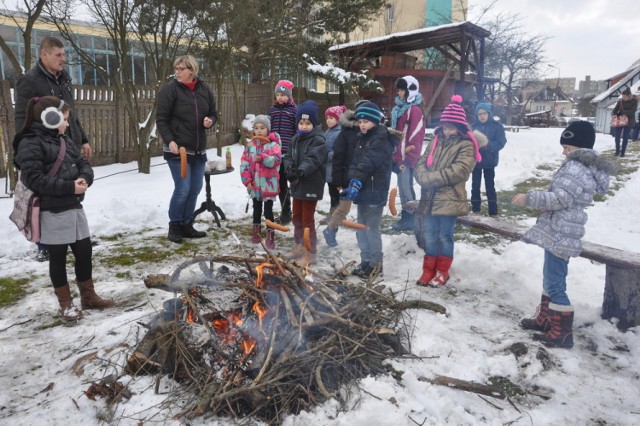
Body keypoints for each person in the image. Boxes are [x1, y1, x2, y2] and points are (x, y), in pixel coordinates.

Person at [512, 121, 617, 349]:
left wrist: (530, 198)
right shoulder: (580, 165)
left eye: (567, 147)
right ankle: (547, 319)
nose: (563, 152)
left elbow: (561, 198)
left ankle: (562, 334)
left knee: (555, 282)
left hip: (562, 230)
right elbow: (565, 198)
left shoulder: (576, 167)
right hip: (562, 227)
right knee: (551, 277)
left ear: (578, 147)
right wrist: (546, 206)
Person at [14, 96, 114, 321]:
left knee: (84, 252)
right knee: (58, 258)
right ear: (51, 118)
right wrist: (70, 187)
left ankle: (88, 296)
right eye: (65, 120)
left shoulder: (64, 139)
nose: (68, 125)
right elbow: (35, 179)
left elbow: (82, 163)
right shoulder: (29, 143)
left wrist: (84, 179)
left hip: (74, 206)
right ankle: (66, 305)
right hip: (52, 211)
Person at [14, 36, 92, 262]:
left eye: (64, 54)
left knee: (72, 191)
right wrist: (25, 146)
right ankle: (45, 243)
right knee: (47, 196)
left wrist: (83, 139)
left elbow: (72, 113)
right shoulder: (29, 81)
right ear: (44, 54)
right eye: (58, 55)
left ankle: (74, 236)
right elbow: (22, 116)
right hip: (43, 146)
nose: (63, 59)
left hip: (68, 142)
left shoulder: (64, 79)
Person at [414, 95, 485, 287]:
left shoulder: (467, 145)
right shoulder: (435, 141)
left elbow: (459, 170)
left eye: (451, 128)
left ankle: (442, 271)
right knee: (429, 234)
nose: (447, 131)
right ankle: (428, 269)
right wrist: (422, 176)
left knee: (444, 236)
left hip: (450, 199)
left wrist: (429, 179)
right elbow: (422, 161)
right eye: (445, 127)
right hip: (429, 198)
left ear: (460, 128)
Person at [156, 55, 217, 243]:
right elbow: (162, 119)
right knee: (182, 188)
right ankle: (174, 225)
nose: (177, 72)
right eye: (176, 68)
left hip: (198, 149)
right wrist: (170, 140)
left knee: (195, 187)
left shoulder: (204, 89)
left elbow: (213, 113)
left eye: (181, 68)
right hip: (178, 150)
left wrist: (210, 121)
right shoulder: (169, 90)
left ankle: (186, 225)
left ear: (192, 70)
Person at [341, 101, 397, 279]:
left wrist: (357, 180)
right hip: (363, 189)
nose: (362, 124)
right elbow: (355, 163)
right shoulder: (361, 138)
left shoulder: (381, 139)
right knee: (360, 227)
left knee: (371, 228)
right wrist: (351, 181)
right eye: (360, 121)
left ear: (375, 121)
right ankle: (365, 261)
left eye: (366, 121)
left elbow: (368, 162)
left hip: (375, 189)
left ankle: (375, 264)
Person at [282, 100, 327, 265]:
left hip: (311, 185)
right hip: (297, 185)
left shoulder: (318, 140)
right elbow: (288, 156)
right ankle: (299, 246)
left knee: (307, 220)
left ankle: (311, 252)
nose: (304, 126)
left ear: (314, 124)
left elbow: (313, 159)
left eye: (308, 123)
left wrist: (300, 170)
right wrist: (290, 169)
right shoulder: (295, 139)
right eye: (301, 122)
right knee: (297, 218)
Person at [240, 115, 282, 249]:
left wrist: (264, 158)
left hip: (269, 184)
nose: (259, 131)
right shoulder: (250, 146)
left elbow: (276, 160)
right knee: (256, 209)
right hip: (255, 185)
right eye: (256, 128)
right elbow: (244, 164)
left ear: (267, 129)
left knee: (268, 211)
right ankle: (256, 232)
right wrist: (247, 181)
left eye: (262, 128)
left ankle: (270, 234)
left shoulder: (273, 145)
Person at [322, 104, 360, 247]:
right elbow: (339, 157)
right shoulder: (345, 133)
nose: (361, 123)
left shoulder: (365, 133)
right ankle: (331, 229)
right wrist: (338, 178)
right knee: (343, 206)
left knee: (359, 208)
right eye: (359, 120)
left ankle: (361, 236)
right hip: (345, 176)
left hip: (360, 176)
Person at [391, 76, 425, 232]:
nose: (399, 93)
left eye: (402, 90)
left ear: (410, 90)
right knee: (401, 186)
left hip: (406, 156)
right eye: (398, 90)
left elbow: (416, 134)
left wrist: (409, 154)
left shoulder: (415, 110)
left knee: (406, 186)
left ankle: (412, 218)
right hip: (399, 155)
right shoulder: (399, 109)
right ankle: (406, 217)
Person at [268, 80, 297, 225]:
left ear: (289, 96)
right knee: (281, 184)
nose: (280, 97)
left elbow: (297, 132)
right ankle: (286, 213)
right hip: (275, 155)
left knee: (294, 183)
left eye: (283, 95)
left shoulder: (293, 111)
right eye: (278, 94)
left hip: (289, 154)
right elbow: (268, 130)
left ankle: (298, 211)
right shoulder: (272, 111)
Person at [471, 102, 507, 216]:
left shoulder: (496, 126)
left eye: (484, 113)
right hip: (476, 161)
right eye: (479, 114)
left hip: (489, 161)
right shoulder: (474, 127)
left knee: (489, 186)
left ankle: (493, 212)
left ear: (489, 113)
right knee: (475, 186)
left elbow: (501, 142)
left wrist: (488, 145)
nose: (482, 116)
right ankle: (475, 209)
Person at [319, 105, 347, 225]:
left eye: (332, 117)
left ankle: (336, 215)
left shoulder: (340, 133)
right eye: (327, 118)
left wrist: (326, 154)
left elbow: (339, 152)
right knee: (332, 192)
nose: (329, 120)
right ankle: (335, 214)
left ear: (339, 119)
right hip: (328, 168)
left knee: (335, 193)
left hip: (336, 169)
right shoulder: (327, 132)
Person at [611, 87, 637, 157]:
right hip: (619, 120)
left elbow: (633, 111)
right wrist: (613, 113)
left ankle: (623, 152)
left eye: (624, 96)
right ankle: (617, 150)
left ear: (629, 96)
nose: (623, 98)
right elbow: (616, 109)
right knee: (617, 136)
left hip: (629, 121)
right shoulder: (620, 101)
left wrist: (623, 112)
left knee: (625, 137)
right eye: (622, 96)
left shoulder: (634, 100)